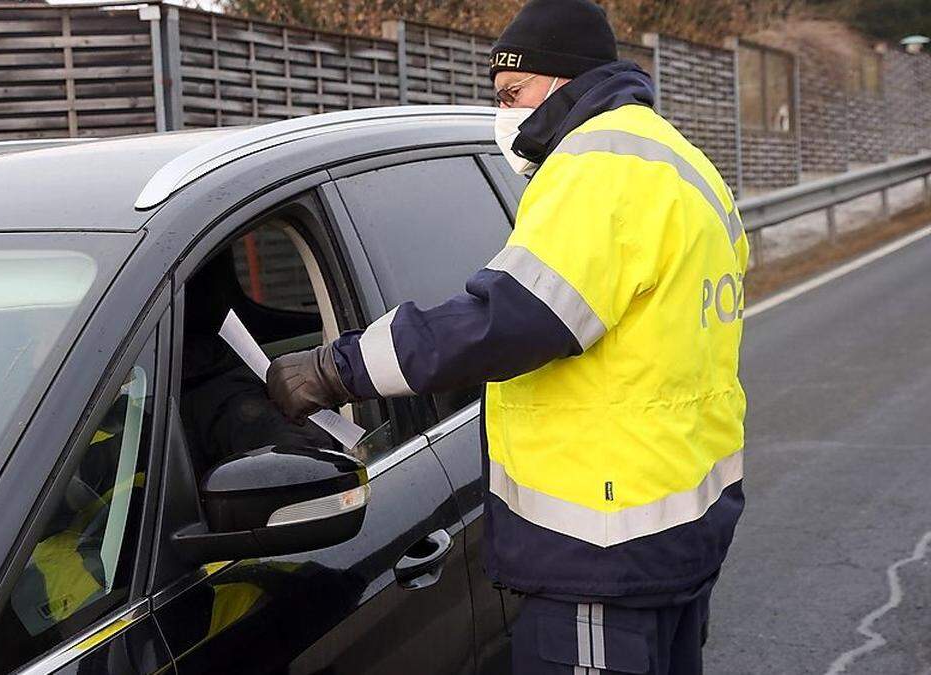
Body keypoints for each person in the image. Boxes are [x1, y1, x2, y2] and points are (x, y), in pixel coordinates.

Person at [265, 0, 749, 672]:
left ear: (564, 80)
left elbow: (506, 321)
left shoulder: (598, 168)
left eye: (512, 93)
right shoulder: (677, 159)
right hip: (676, 523)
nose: (506, 113)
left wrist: (337, 366)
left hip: (599, 546)